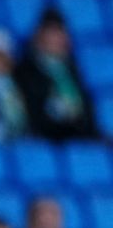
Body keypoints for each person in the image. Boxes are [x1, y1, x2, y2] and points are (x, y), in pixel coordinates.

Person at [15, 8, 97, 141]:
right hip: (45, 138)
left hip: (77, 137)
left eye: (60, 31)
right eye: (52, 32)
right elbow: (32, 112)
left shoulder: (72, 70)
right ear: (39, 35)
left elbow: (84, 108)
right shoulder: (26, 70)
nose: (57, 38)